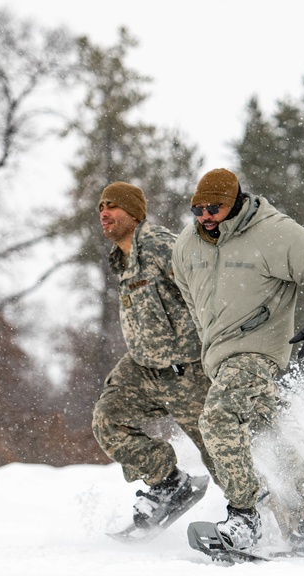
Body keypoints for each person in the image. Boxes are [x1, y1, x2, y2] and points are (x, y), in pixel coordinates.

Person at [172, 168, 304, 552]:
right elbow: (189, 295)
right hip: (219, 358)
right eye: (197, 209)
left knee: (217, 419)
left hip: (258, 349)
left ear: (235, 201)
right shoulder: (187, 244)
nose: (205, 216)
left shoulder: (273, 232)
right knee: (269, 432)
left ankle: (245, 515)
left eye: (214, 207)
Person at [90, 181, 215, 532]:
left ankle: (294, 518)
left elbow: (207, 292)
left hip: (189, 371)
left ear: (134, 213)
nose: (104, 212)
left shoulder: (161, 246)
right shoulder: (122, 260)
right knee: (108, 418)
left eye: (112, 206)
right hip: (146, 368)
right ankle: (169, 483)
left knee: (223, 453)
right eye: (100, 206)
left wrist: (225, 350)